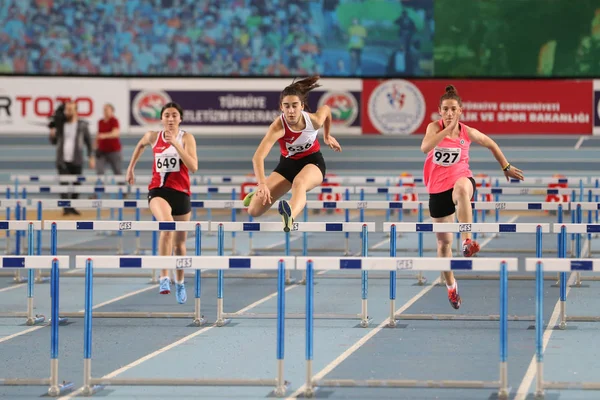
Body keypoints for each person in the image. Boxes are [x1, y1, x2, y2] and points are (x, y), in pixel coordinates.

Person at [421, 85, 524, 310]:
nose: (449, 113)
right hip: (437, 189)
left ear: (460, 111)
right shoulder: (433, 128)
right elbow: (425, 147)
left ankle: (467, 240)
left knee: (461, 189)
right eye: (445, 109)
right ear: (440, 111)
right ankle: (451, 286)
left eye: (453, 109)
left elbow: (491, 144)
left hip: (461, 179)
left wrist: (505, 166)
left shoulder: (468, 132)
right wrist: (445, 131)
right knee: (443, 244)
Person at [243, 76, 342, 231]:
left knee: (299, 183)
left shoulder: (314, 121)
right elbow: (258, 157)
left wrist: (327, 135)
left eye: (294, 106)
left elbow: (327, 110)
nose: (291, 111)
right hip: (288, 164)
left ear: (302, 106)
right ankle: (258, 192)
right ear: (281, 107)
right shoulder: (278, 127)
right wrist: (262, 184)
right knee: (254, 210)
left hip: (312, 162)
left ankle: (290, 215)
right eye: (286, 106)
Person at [125, 102, 198, 304]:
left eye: (175, 115)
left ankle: (180, 282)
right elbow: (139, 145)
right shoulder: (152, 136)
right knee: (167, 227)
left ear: (180, 119)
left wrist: (176, 144)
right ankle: (164, 277)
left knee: (180, 243)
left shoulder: (187, 138)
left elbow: (194, 166)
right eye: (167, 115)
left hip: (182, 194)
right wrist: (131, 168)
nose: (171, 119)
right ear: (162, 119)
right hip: (158, 191)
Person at [49, 101, 95, 216]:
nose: (67, 112)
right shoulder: (61, 124)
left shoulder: (82, 125)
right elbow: (54, 142)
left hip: (77, 159)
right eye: (66, 109)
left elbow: (88, 141)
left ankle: (72, 206)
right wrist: (52, 134)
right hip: (62, 159)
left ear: (76, 111)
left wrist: (91, 156)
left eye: (70, 109)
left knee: (77, 184)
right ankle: (66, 208)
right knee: (63, 184)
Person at [95, 103, 122, 176]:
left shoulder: (114, 121)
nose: (105, 111)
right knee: (99, 171)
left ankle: (121, 186)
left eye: (106, 109)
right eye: (104, 110)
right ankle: (101, 186)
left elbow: (115, 133)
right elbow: (98, 135)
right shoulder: (100, 122)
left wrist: (104, 135)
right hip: (102, 151)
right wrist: (95, 148)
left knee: (117, 171)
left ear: (112, 111)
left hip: (113, 151)